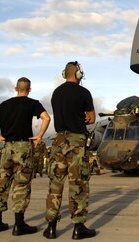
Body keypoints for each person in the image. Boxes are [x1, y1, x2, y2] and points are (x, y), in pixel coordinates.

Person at [0, 77, 51, 236]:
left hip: (7, 147)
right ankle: (19, 224)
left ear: (16, 88)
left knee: (2, 183)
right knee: (22, 184)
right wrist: (39, 135)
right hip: (23, 147)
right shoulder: (33, 103)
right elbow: (46, 118)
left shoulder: (4, 104)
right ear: (29, 89)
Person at [43, 61, 97, 240]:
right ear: (79, 74)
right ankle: (78, 227)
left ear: (64, 74)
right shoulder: (84, 92)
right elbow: (91, 118)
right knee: (78, 184)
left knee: (55, 184)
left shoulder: (56, 93)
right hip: (76, 141)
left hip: (59, 140)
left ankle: (51, 227)